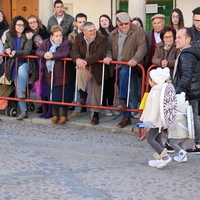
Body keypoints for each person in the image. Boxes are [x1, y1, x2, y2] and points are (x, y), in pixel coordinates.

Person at [103, 12, 147, 128]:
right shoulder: (112, 34)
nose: (124, 26)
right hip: (119, 65)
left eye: (126, 23)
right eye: (121, 24)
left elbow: (142, 47)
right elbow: (108, 49)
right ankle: (126, 116)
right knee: (123, 84)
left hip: (133, 64)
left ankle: (122, 100)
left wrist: (135, 59)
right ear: (117, 23)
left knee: (125, 77)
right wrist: (108, 56)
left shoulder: (138, 31)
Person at [70, 22, 108, 125]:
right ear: (84, 32)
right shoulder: (78, 37)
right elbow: (74, 51)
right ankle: (82, 96)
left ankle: (95, 114)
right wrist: (77, 59)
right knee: (80, 69)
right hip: (83, 65)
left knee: (96, 90)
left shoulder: (102, 38)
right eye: (90, 31)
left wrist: (86, 61)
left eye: (94, 30)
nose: (93, 32)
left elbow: (100, 53)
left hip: (97, 67)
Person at [35, 25, 74, 124]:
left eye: (60, 35)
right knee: (53, 96)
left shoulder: (66, 43)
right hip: (50, 74)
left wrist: (52, 55)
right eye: (56, 36)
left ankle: (64, 115)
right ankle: (55, 114)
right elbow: (38, 51)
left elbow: (66, 53)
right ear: (51, 36)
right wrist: (44, 54)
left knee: (64, 96)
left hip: (64, 74)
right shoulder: (46, 42)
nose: (59, 38)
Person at [3, 15, 38, 120]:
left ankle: (23, 110)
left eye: (23, 25)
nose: (21, 27)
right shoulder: (9, 35)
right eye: (19, 25)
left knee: (20, 85)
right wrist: (7, 50)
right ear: (14, 25)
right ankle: (24, 109)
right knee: (17, 87)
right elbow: (6, 45)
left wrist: (15, 52)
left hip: (25, 63)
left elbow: (27, 51)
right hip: (13, 64)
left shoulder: (28, 36)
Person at [173, 27, 200, 154]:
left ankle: (197, 145)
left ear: (188, 39)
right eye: (176, 37)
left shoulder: (187, 55)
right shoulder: (190, 52)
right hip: (192, 90)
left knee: (190, 118)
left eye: (179, 37)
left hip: (189, 92)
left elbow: (186, 76)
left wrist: (178, 91)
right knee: (192, 117)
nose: (176, 40)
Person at [140, 67, 172, 169]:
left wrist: (150, 121)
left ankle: (164, 156)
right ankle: (160, 159)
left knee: (150, 139)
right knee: (158, 139)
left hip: (155, 122)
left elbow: (155, 109)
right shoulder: (160, 90)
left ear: (153, 81)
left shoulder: (156, 92)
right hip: (159, 121)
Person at [68, 13, 87, 120]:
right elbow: (72, 50)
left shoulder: (90, 32)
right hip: (75, 63)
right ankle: (78, 106)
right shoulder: (72, 35)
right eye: (79, 22)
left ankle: (81, 106)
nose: (82, 24)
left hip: (88, 63)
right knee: (77, 84)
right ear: (76, 23)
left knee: (85, 85)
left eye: (84, 21)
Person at [98, 14, 118, 117]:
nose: (104, 22)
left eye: (106, 20)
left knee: (111, 85)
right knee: (105, 85)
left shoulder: (115, 32)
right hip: (103, 63)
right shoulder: (99, 34)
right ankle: (104, 106)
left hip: (113, 63)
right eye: (102, 21)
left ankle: (111, 105)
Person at [168, 92, 189, 163]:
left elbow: (170, 122)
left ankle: (182, 153)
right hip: (185, 133)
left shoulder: (177, 113)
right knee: (182, 144)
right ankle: (183, 157)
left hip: (179, 134)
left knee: (173, 143)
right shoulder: (184, 111)